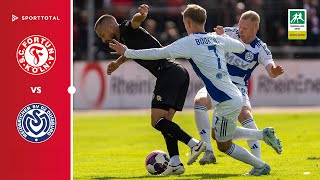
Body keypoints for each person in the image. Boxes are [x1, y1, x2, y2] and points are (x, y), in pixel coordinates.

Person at [109, 4, 282, 176]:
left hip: (226, 100)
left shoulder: (189, 42)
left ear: (189, 24)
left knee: (223, 144)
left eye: (185, 24)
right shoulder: (216, 38)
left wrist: (128, 52)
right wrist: (223, 39)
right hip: (232, 95)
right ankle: (261, 135)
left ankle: (260, 165)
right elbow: (241, 48)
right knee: (218, 134)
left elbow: (158, 53)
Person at [94, 4, 206, 176]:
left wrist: (141, 15)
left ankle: (193, 144)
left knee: (156, 121)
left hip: (167, 72)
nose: (103, 40)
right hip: (178, 72)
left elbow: (135, 22)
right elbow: (130, 52)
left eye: (102, 35)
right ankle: (175, 162)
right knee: (165, 123)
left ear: (111, 27)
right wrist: (117, 63)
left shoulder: (125, 28)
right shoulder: (125, 40)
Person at [194, 10, 284, 166]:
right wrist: (217, 36)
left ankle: (258, 161)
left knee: (244, 115)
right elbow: (206, 41)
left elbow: (271, 69)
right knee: (200, 103)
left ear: (256, 28)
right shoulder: (229, 33)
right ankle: (208, 151)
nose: (240, 31)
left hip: (237, 87)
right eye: (240, 26)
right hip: (219, 82)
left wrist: (274, 72)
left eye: (245, 28)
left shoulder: (260, 48)